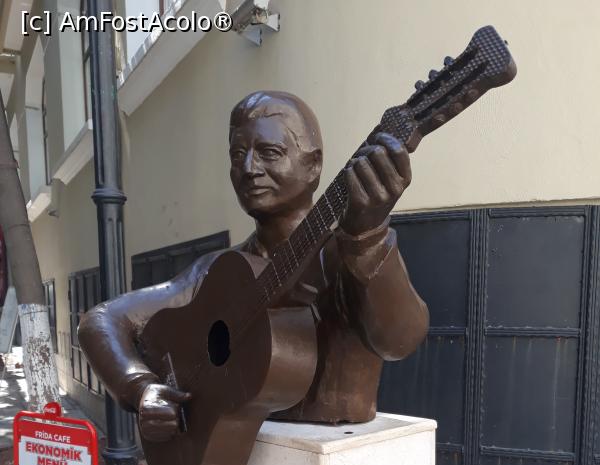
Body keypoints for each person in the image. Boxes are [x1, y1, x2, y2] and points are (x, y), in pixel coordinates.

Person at [79, 91, 428, 443]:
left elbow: (398, 341)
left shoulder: (347, 252)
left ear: (314, 165)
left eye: (269, 152)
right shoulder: (218, 272)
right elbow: (102, 320)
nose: (249, 168)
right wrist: (141, 387)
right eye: (237, 155)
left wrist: (368, 239)